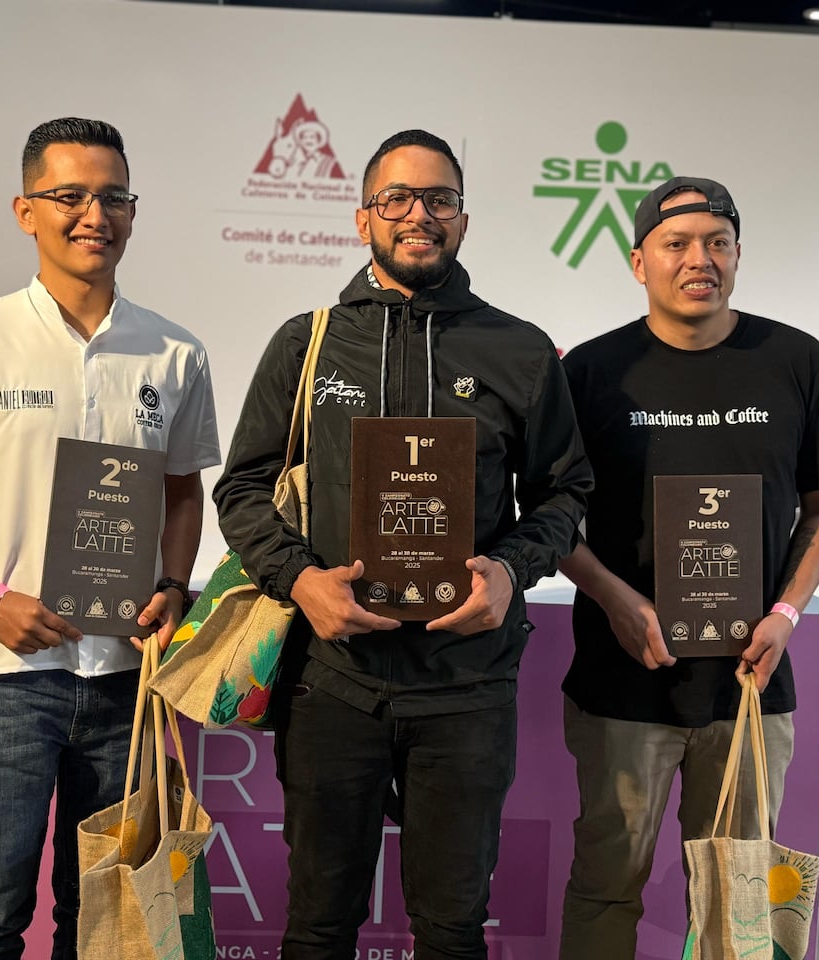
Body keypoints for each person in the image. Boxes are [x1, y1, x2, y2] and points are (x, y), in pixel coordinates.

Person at [214, 129, 592, 960]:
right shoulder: (308, 342)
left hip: (468, 685)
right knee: (319, 926)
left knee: (452, 930)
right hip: (332, 681)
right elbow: (240, 490)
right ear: (364, 219)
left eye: (440, 199)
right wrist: (300, 580)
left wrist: (510, 570)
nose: (419, 214)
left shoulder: (521, 350)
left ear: (463, 219)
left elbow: (565, 495)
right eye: (397, 198)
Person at [0, 117, 220, 960]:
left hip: (124, 679)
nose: (93, 215)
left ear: (133, 213)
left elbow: (184, 490)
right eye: (69, 195)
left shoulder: (175, 352)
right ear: (25, 210)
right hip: (4, 678)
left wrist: (173, 585)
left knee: (101, 922)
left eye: (113, 197)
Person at [556, 176, 819, 959]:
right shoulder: (591, 372)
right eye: (677, 243)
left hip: (750, 685)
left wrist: (786, 614)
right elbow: (549, 520)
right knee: (606, 885)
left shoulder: (794, 360)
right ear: (639, 262)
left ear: (737, 255)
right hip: (624, 683)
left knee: (740, 898)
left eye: (718, 242)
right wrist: (616, 600)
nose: (701, 259)